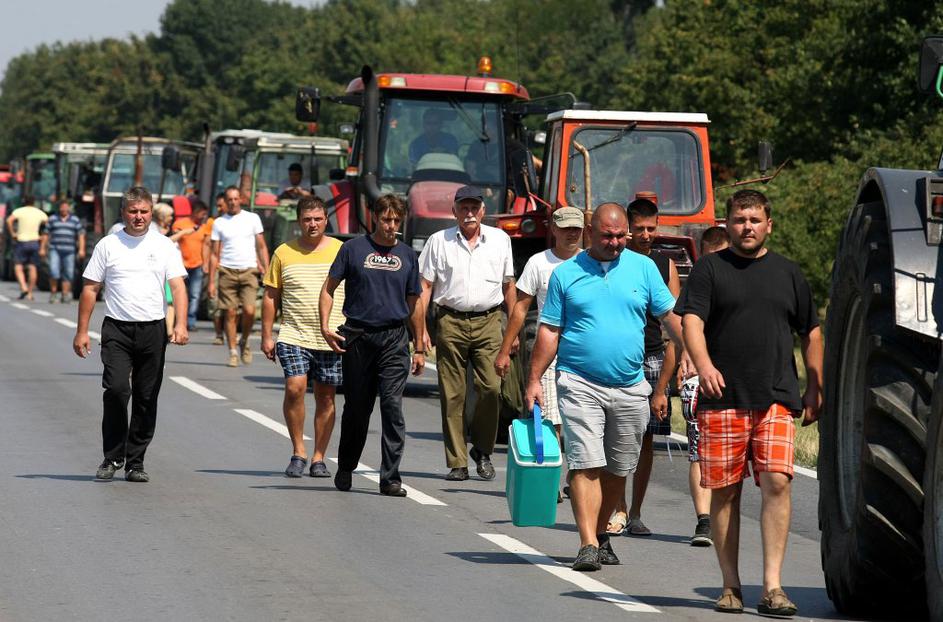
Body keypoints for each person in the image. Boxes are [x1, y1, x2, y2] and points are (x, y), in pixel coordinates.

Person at [678, 189, 823, 617]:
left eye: (755, 220)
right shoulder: (709, 269)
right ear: (727, 224)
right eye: (740, 220)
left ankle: (773, 587)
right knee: (725, 492)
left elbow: (811, 332)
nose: (747, 227)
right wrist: (703, 365)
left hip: (776, 395)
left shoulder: (789, 273)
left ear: (768, 225)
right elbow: (691, 321)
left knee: (778, 481)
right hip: (723, 397)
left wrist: (815, 386)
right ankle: (730, 585)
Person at [524, 203, 683, 572]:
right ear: (590, 232)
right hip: (579, 382)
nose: (615, 243)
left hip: (630, 385)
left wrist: (691, 353)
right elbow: (550, 331)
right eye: (608, 235)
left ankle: (601, 533)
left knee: (617, 467)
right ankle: (587, 543)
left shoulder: (643, 268)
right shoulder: (567, 274)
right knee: (585, 462)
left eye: (620, 235)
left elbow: (669, 316)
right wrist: (534, 379)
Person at [72, 186, 188, 483]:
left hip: (152, 329)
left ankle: (136, 462)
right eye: (133, 211)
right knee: (116, 390)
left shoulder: (163, 245)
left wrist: (181, 324)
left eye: (144, 212)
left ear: (151, 213)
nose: (139, 217)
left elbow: (177, 287)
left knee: (146, 397)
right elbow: (90, 288)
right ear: (123, 213)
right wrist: (82, 331)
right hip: (117, 329)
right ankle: (112, 456)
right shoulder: (108, 245)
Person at [320, 194, 425, 497]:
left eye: (396, 220)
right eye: (386, 219)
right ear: (375, 218)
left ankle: (390, 477)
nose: (392, 226)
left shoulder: (407, 255)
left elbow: (414, 302)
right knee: (357, 408)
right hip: (358, 336)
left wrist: (418, 345)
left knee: (392, 407)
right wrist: (326, 327)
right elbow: (329, 290)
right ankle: (346, 465)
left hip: (393, 338)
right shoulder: (352, 249)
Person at [418, 185, 516, 481]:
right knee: (453, 393)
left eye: (475, 207)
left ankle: (483, 450)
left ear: (483, 211)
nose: (470, 212)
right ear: (455, 211)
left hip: (489, 321)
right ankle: (458, 461)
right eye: (464, 207)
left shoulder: (500, 240)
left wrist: (512, 332)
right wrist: (420, 330)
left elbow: (509, 286)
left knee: (490, 388)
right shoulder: (439, 241)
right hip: (450, 321)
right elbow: (425, 287)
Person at [494, 206, 584, 494]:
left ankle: (578, 477)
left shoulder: (590, 262)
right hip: (549, 350)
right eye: (566, 228)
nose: (572, 234)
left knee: (580, 419)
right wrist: (505, 349)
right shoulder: (538, 263)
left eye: (577, 229)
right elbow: (520, 308)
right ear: (553, 230)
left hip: (584, 350)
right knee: (549, 417)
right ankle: (552, 479)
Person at [607, 198, 681, 537]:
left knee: (647, 438)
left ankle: (636, 511)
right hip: (623, 357)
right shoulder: (615, 260)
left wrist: (676, 367)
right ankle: (617, 507)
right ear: (628, 227)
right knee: (617, 436)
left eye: (652, 228)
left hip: (654, 356)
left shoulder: (665, 266)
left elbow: (675, 322)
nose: (646, 235)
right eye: (639, 229)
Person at [262, 196, 346, 478]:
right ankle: (298, 451)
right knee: (295, 388)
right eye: (307, 219)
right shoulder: (284, 252)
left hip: (332, 335)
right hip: (294, 333)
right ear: (299, 221)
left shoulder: (341, 250)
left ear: (326, 220)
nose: (313, 224)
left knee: (325, 396)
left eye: (318, 219)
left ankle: (319, 457)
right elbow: (271, 296)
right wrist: (267, 335)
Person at [677, 226, 729, 548]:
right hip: (700, 375)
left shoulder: (743, 275)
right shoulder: (698, 280)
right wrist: (686, 355)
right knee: (698, 448)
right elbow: (686, 322)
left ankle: (725, 514)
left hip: (734, 374)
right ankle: (704, 520)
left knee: (727, 450)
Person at [208, 185, 270, 367]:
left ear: (241, 199)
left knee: (250, 310)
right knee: (231, 313)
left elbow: (261, 246)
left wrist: (266, 268)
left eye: (236, 199)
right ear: (225, 202)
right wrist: (211, 281)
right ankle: (233, 351)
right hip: (227, 270)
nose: (233, 202)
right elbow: (213, 254)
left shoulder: (252, 218)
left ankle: (245, 340)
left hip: (249, 269)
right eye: (230, 199)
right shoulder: (219, 223)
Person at [172, 200, 211, 330]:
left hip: (197, 265)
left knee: (195, 295)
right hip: (181, 265)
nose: (203, 217)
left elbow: (206, 246)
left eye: (205, 214)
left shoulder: (204, 227)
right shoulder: (180, 224)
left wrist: (205, 263)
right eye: (202, 214)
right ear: (195, 212)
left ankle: (191, 322)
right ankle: (177, 319)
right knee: (180, 292)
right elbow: (173, 240)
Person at [39, 199, 85, 303]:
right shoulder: (52, 219)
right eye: (62, 207)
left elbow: (81, 235)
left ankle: (65, 294)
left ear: (68, 208)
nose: (64, 209)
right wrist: (42, 248)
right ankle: (53, 293)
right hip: (55, 249)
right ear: (59, 208)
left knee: (68, 273)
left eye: (65, 206)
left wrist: (81, 249)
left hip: (70, 250)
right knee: (53, 271)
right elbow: (45, 234)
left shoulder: (75, 220)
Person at [5, 196, 48, 300]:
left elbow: (9, 220)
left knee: (18, 266)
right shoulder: (39, 212)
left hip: (21, 241)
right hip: (35, 242)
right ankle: (30, 292)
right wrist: (43, 236)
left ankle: (23, 287)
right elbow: (47, 223)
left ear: (24, 202)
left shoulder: (19, 211)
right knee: (33, 267)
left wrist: (13, 233)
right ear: (34, 202)